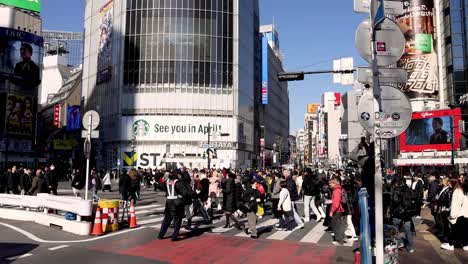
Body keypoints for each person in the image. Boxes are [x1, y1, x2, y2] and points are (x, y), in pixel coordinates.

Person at [158, 172, 191, 241]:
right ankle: (174, 236)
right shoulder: (178, 183)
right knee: (177, 219)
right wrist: (182, 196)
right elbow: (185, 192)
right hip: (177, 201)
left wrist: (167, 193)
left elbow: (160, 186)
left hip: (169, 201)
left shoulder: (166, 182)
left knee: (167, 219)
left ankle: (160, 235)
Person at [441, 177, 468, 251]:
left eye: (462, 179)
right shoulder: (465, 190)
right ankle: (465, 244)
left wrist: (452, 215)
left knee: (455, 231)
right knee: (465, 231)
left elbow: (455, 205)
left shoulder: (458, 191)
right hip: (466, 214)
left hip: (459, 214)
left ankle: (451, 244)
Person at [391, 176, 417, 253]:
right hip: (407, 214)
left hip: (397, 214)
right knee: (408, 231)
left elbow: (394, 201)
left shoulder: (396, 190)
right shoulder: (409, 189)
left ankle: (399, 242)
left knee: (396, 229)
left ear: (396, 182)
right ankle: (410, 247)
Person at [329, 176, 347, 245]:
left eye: (331, 183)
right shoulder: (339, 189)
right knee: (338, 225)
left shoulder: (336, 191)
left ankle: (339, 240)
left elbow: (336, 203)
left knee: (336, 226)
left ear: (334, 183)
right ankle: (340, 238)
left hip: (337, 210)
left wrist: (331, 211)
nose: (329, 184)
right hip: (339, 210)